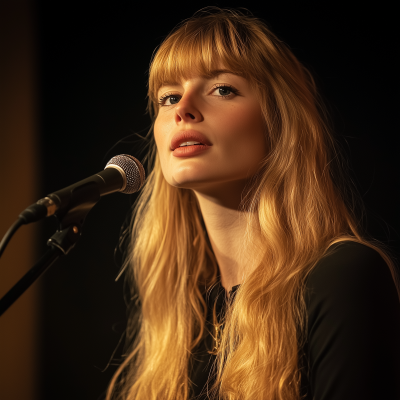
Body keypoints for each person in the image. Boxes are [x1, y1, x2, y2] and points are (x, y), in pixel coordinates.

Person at [106, 8, 400, 400]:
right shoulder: (186, 319)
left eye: (222, 89)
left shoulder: (341, 278)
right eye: (169, 97)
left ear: (278, 121)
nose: (183, 109)